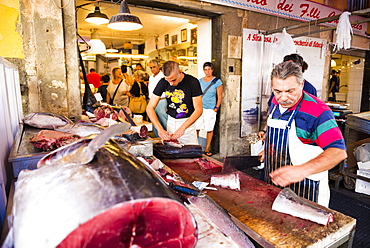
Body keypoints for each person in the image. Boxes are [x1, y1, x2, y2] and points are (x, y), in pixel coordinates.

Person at [261, 61, 347, 207]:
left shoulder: (319, 111)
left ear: (302, 84)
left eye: (290, 91)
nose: (283, 98)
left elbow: (338, 152)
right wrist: (270, 149)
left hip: (307, 190)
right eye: (277, 91)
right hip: (275, 182)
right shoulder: (276, 103)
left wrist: (302, 170)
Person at [147, 61, 203, 145]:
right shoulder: (163, 82)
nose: (171, 84)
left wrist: (183, 127)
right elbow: (150, 107)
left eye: (173, 80)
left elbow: (199, 109)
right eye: (168, 81)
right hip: (171, 121)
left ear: (180, 72)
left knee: (190, 152)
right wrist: (160, 129)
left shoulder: (192, 82)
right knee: (171, 150)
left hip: (187, 123)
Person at [195, 62, 223, 156]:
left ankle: (207, 149)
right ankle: (196, 147)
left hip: (210, 109)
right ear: (203, 71)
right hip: (200, 108)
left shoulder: (217, 81)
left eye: (209, 69)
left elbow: (219, 96)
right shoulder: (199, 81)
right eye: (206, 70)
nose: (207, 71)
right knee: (197, 128)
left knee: (209, 129)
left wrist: (216, 108)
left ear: (212, 70)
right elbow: (196, 95)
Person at [148, 59, 167, 137]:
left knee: (164, 121)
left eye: (154, 67)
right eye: (151, 67)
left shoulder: (163, 76)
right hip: (152, 101)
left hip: (161, 101)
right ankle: (158, 138)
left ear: (159, 66)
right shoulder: (151, 77)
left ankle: (170, 138)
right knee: (155, 121)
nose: (152, 69)